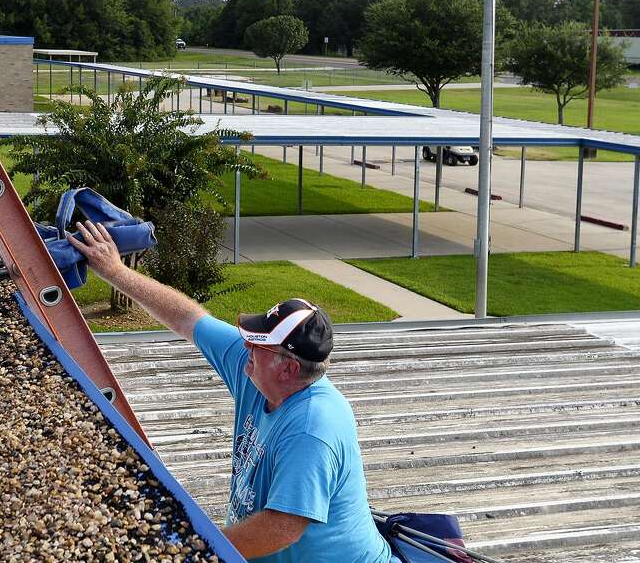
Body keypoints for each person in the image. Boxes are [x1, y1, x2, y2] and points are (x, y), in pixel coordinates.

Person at [68, 220, 395, 563]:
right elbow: (188, 319)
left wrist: (193, 553)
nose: (246, 346)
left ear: (288, 369)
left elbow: (282, 527)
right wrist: (115, 270)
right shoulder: (257, 369)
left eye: (258, 344)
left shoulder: (313, 427)